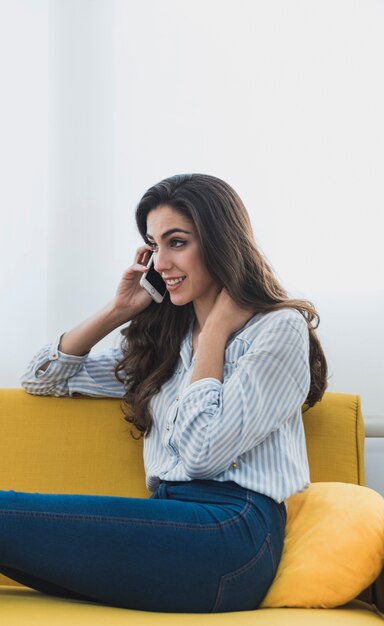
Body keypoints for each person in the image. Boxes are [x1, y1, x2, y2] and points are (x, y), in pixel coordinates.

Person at [4, 173, 327, 613]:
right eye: (154, 245)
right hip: (170, 525)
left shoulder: (277, 330)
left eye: (176, 242)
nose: (160, 262)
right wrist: (118, 310)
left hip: (233, 537)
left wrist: (214, 333)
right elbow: (42, 378)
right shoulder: (164, 346)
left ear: (220, 242)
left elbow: (203, 455)